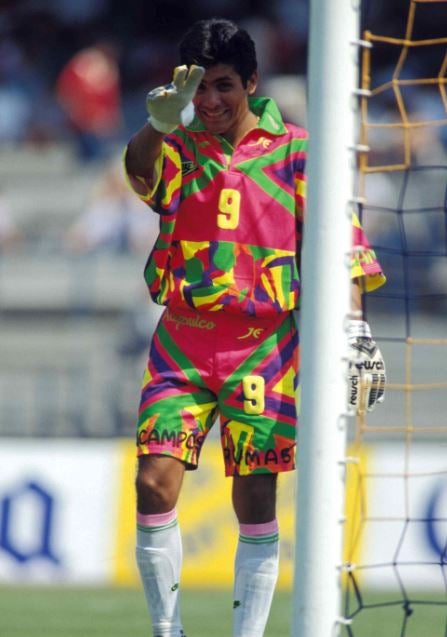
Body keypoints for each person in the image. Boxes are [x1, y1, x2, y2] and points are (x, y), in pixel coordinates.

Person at [124, 18, 386, 637]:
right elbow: (139, 175)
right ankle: (169, 632)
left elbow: (342, 247)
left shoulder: (300, 152)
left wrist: (354, 329)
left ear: (252, 82)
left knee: (257, 498)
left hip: (263, 348)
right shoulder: (177, 146)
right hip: (181, 340)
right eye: (198, 90)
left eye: (223, 87)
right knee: (152, 484)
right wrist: (159, 124)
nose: (209, 102)